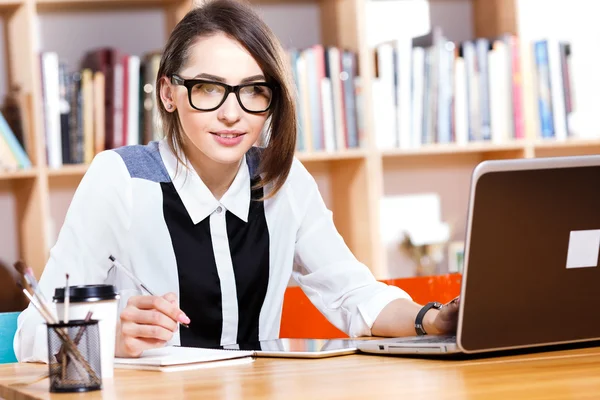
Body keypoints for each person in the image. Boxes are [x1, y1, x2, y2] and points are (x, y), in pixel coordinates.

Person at [14, 0, 458, 360]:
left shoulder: (283, 180)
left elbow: (353, 295)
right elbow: (32, 335)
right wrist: (109, 339)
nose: (232, 112)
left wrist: (433, 320)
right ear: (169, 93)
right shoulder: (120, 179)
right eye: (208, 88)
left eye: (253, 90)